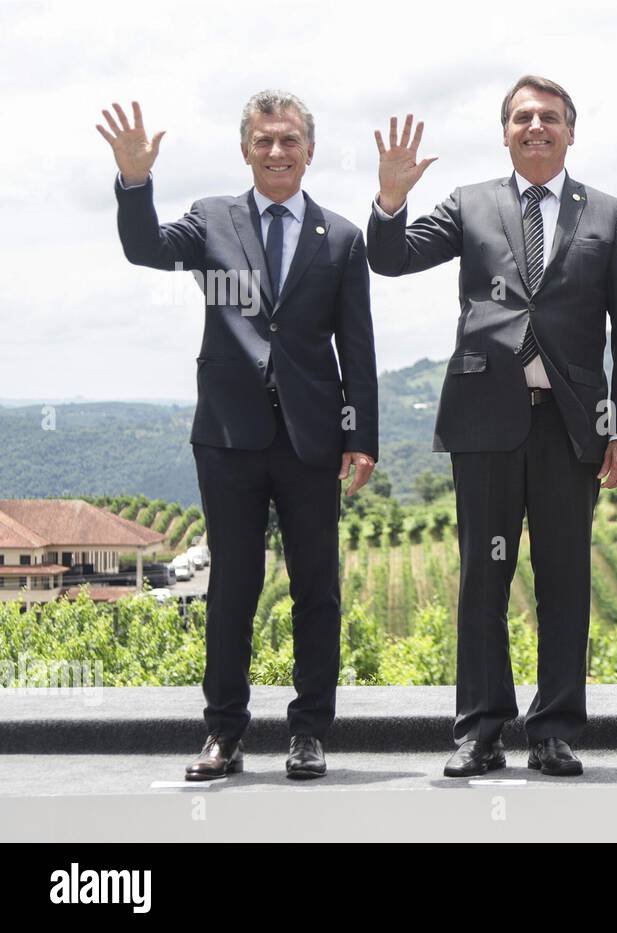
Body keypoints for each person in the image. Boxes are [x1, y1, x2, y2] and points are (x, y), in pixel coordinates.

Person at [366, 75, 617, 778]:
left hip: (570, 426)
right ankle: (481, 730)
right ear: (505, 131)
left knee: (564, 581)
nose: (536, 126)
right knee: (482, 580)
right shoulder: (470, 203)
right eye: (522, 117)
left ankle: (552, 729)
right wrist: (391, 200)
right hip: (484, 422)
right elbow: (390, 257)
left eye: (549, 117)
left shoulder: (610, 215)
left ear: (570, 131)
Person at [99, 92, 379, 781]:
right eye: (264, 141)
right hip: (228, 435)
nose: (277, 151)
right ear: (246, 149)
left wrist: (361, 435)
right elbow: (146, 249)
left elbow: (358, 348)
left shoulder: (341, 238)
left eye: (289, 140)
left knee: (318, 587)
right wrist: (136, 183)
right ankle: (223, 734)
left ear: (309, 149)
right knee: (233, 587)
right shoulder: (211, 219)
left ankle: (310, 732)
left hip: (313, 436)